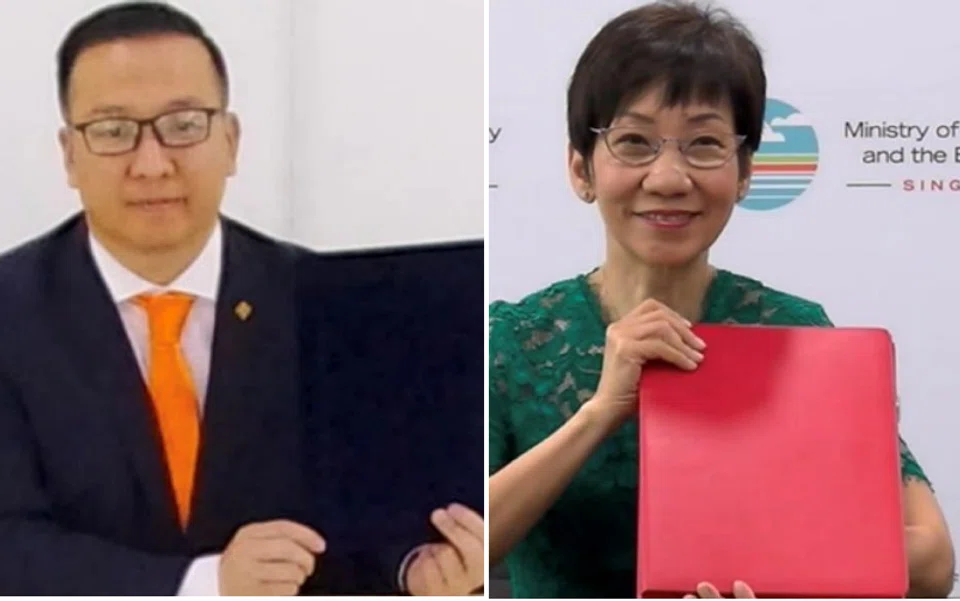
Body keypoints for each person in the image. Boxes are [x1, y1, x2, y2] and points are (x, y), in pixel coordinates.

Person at [0, 1, 482, 595]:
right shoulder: (11, 313)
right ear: (69, 154)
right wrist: (203, 584)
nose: (152, 165)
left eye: (183, 125)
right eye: (113, 131)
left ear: (230, 140)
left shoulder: (322, 307)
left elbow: (365, 520)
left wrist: (415, 570)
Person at [488, 2, 955, 598]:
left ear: (744, 173)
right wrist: (600, 412)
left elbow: (932, 560)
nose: (668, 177)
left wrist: (770, 564)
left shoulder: (797, 333)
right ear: (581, 168)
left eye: (704, 144)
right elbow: (468, 545)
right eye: (633, 142)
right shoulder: (513, 341)